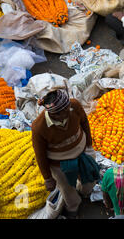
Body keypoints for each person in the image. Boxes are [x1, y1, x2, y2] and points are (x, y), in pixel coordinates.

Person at [31, 89, 100, 219]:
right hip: (59, 164)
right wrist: (48, 178)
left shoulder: (73, 105)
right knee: (68, 191)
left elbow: (85, 122)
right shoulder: (39, 127)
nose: (66, 114)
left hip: (83, 153)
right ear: (52, 113)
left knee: (90, 178)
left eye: (67, 110)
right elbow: (40, 155)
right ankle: (73, 208)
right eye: (61, 113)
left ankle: (84, 193)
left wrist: (89, 146)